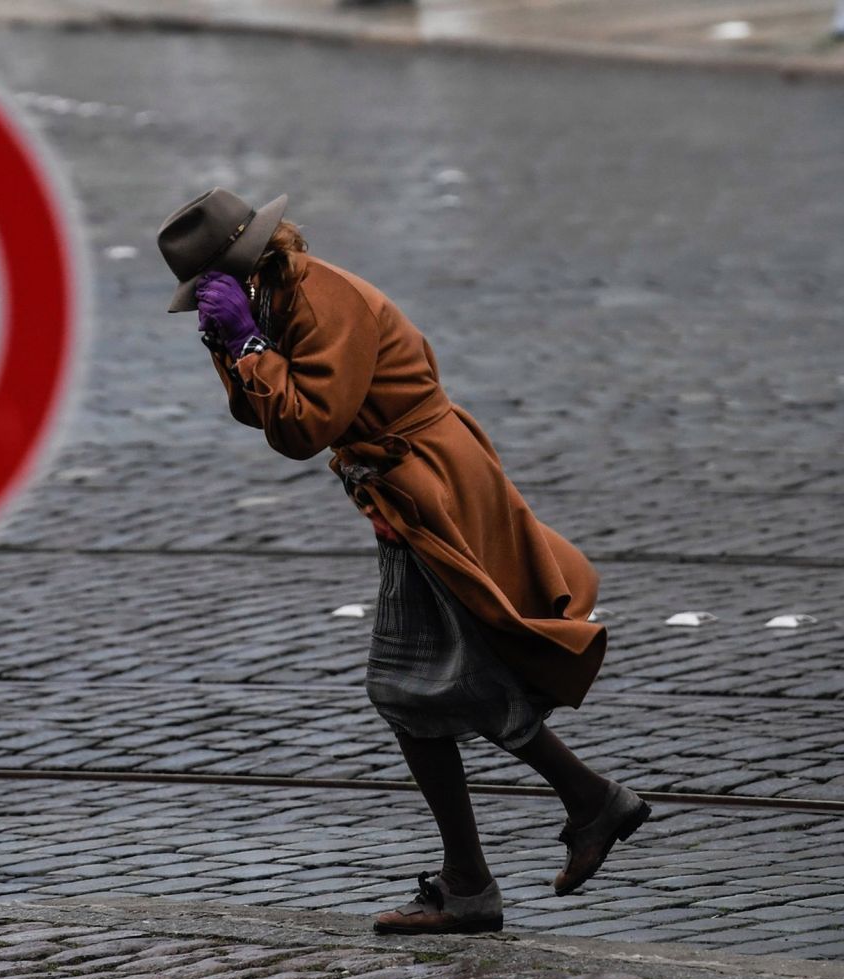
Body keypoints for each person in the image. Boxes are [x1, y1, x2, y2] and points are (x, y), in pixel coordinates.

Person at [155, 188, 651, 934]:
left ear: (247, 265)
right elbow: (259, 410)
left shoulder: (324, 302)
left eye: (212, 290)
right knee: (427, 688)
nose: (212, 303)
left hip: (433, 491)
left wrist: (250, 348)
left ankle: (508, 859)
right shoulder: (285, 296)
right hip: (402, 497)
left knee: (415, 688)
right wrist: (233, 348)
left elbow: (299, 429)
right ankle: (546, 831)